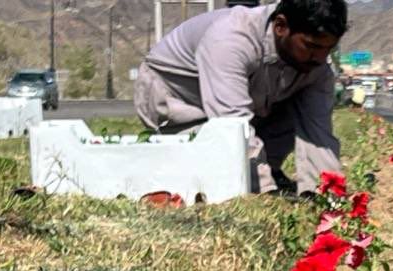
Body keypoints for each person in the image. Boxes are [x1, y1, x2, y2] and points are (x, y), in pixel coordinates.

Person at [134, 0, 348, 195]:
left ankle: (267, 170)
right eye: (312, 46)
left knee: (297, 108)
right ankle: (257, 179)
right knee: (210, 166)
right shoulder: (229, 39)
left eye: (329, 48)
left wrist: (327, 195)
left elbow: (318, 132)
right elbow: (232, 123)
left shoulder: (317, 67)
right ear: (281, 26)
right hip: (179, 101)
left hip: (239, 102)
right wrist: (265, 192)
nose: (320, 58)